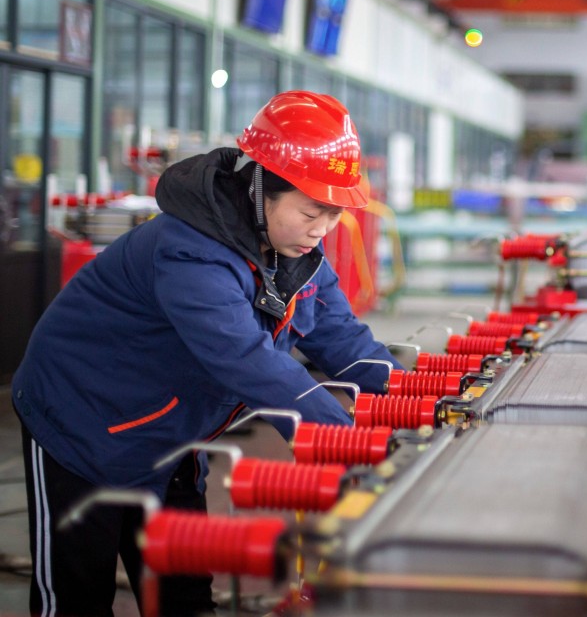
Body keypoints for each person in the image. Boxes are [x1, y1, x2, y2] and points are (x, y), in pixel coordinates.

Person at [12, 90, 402, 616]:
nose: (323, 229)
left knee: (185, 596)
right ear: (261, 187)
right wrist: (339, 435)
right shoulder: (190, 249)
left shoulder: (298, 250)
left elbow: (341, 337)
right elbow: (243, 358)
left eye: (333, 215)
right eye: (312, 211)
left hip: (171, 433)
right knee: (77, 596)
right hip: (80, 419)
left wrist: (412, 393)